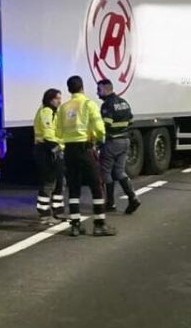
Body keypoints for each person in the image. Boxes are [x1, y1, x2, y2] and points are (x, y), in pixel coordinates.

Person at [55, 75, 116, 237]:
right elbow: (99, 127)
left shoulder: (63, 107)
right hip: (86, 149)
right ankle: (99, 224)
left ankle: (75, 225)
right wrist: (99, 140)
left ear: (69, 89)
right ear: (82, 87)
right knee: (96, 186)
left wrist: (64, 144)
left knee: (73, 188)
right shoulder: (89, 104)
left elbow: (58, 131)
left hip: (69, 151)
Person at [96, 79, 140, 214]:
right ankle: (133, 198)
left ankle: (111, 203)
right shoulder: (123, 102)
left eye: (99, 89)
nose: (97, 92)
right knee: (120, 172)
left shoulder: (107, 105)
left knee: (106, 173)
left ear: (105, 89)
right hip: (125, 141)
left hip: (111, 142)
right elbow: (131, 121)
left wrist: (98, 140)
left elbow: (106, 125)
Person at [32, 88, 66, 225]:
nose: (60, 101)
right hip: (46, 149)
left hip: (50, 149)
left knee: (58, 181)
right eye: (57, 98)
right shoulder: (46, 112)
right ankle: (45, 215)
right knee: (49, 182)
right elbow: (48, 135)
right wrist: (60, 147)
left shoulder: (53, 112)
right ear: (50, 99)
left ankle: (57, 212)